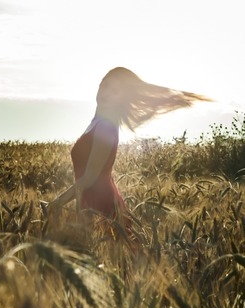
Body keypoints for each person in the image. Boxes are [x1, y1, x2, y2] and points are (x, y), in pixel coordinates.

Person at [44, 67, 211, 220]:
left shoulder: (105, 127)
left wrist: (56, 203)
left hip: (102, 205)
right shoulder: (98, 122)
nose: (106, 92)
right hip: (90, 203)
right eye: (105, 85)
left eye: (115, 91)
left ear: (122, 98)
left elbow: (90, 177)